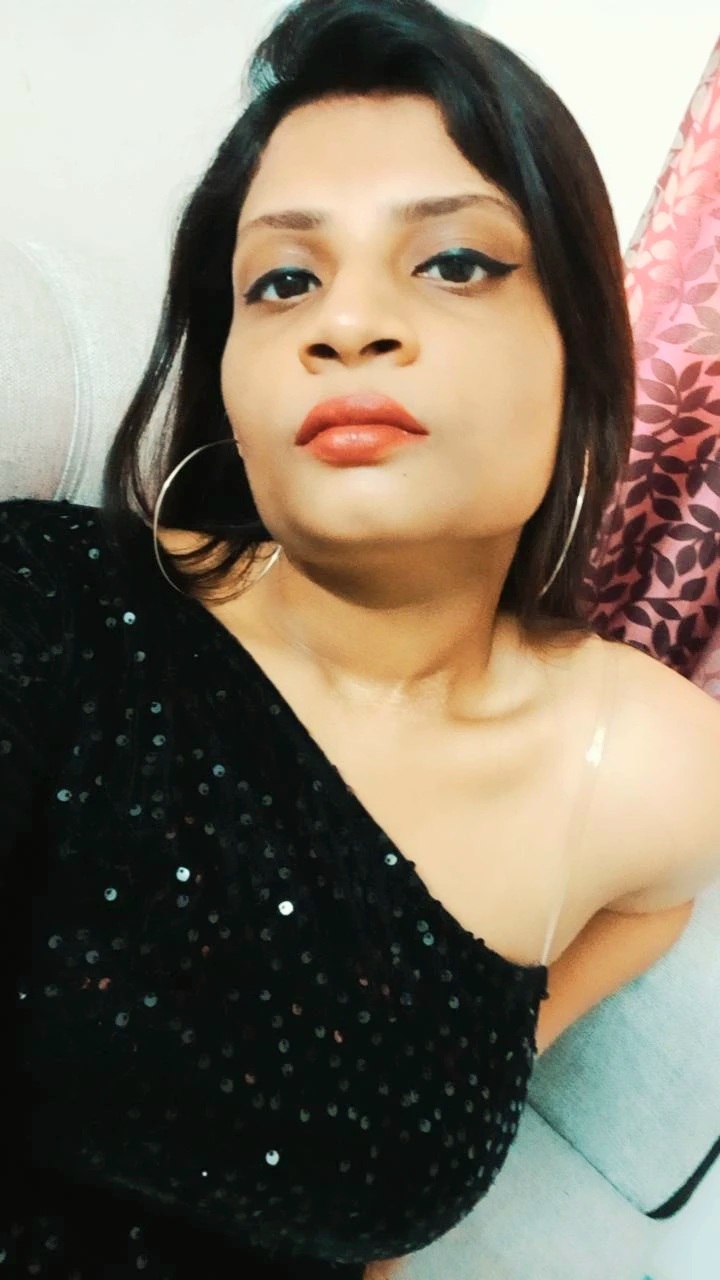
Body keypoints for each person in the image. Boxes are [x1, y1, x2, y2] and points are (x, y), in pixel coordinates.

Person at [2, 0, 719, 1276]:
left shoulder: (651, 761)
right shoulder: (51, 614)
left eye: (455, 262)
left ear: (581, 358)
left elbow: (654, 902)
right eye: (284, 280)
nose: (347, 322)